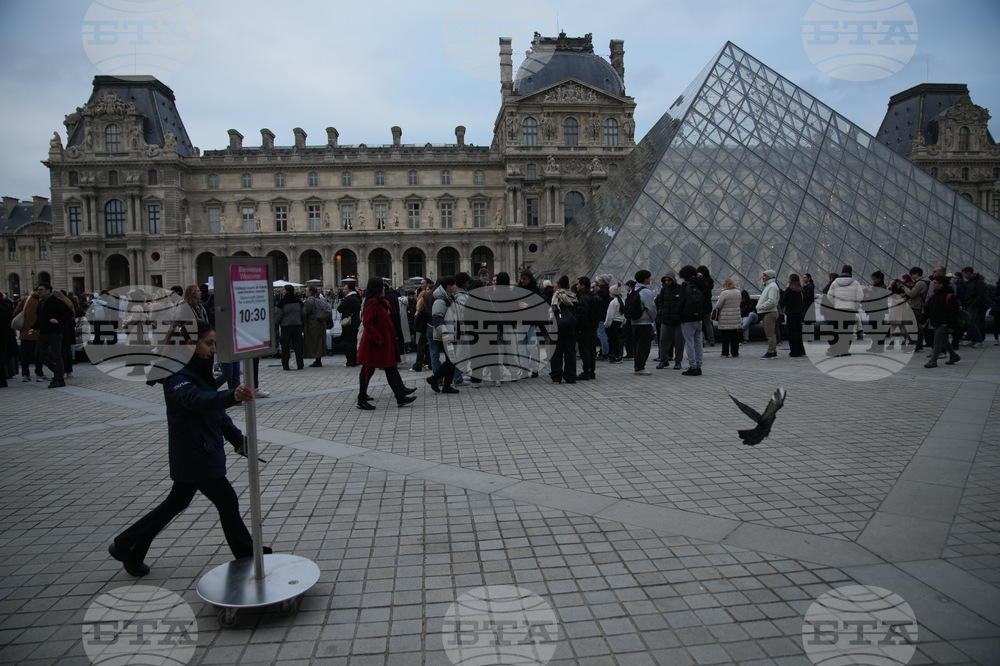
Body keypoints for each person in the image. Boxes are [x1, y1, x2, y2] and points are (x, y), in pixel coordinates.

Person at [109, 321, 269, 577]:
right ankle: (248, 554)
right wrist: (232, 396)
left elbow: (215, 412)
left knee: (176, 502)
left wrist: (237, 439)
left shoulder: (197, 368)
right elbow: (196, 400)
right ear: (188, 344)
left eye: (214, 343)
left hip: (200, 449)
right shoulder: (176, 374)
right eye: (208, 343)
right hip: (194, 452)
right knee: (226, 500)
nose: (213, 349)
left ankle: (128, 546)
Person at [357, 277, 417, 409]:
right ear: (377, 288)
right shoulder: (373, 302)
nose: (384, 288)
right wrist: (378, 338)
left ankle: (400, 397)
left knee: (390, 369)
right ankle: (361, 399)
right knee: (368, 370)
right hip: (374, 344)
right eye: (382, 287)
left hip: (382, 344)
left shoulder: (379, 302)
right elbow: (367, 322)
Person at [28, 283, 73, 388]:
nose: (39, 291)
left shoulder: (56, 302)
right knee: (38, 354)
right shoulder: (41, 303)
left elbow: (69, 313)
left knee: (56, 355)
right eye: (38, 290)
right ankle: (57, 372)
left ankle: (60, 379)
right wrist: (33, 327)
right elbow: (40, 318)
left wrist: (58, 320)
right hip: (43, 333)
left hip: (55, 332)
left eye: (41, 290)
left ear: (48, 290)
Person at [426, 276, 461, 395]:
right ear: (449, 287)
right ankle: (436, 380)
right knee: (451, 360)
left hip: (451, 334)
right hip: (447, 335)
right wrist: (445, 333)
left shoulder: (450, 299)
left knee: (451, 360)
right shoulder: (440, 301)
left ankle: (444, 383)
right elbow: (437, 320)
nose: (456, 287)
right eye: (454, 285)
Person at [924, 276, 961, 368]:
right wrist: (923, 320)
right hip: (935, 322)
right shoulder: (934, 295)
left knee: (937, 341)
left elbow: (953, 313)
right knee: (943, 340)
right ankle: (954, 356)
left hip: (943, 323)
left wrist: (952, 326)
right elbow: (928, 309)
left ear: (942, 285)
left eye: (936, 283)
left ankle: (933, 361)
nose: (934, 284)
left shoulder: (949, 297)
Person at [678, 265, 707, 376]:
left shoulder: (685, 285)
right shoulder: (700, 284)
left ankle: (692, 366)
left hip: (687, 317)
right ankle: (699, 366)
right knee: (698, 342)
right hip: (699, 317)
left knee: (689, 342)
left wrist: (680, 315)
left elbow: (681, 302)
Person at [11, 291, 46, 382]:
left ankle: (25, 375)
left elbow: (16, 312)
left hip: (25, 332)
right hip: (37, 331)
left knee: (25, 355)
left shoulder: (26, 300)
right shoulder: (42, 301)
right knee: (38, 354)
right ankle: (39, 374)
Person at [549, 275, 578, 384]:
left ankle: (556, 376)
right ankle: (570, 376)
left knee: (557, 352)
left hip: (558, 326)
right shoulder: (573, 295)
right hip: (570, 326)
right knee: (570, 352)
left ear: (559, 285)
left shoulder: (557, 295)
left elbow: (552, 310)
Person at [630, 270, 656, 375]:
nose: (650, 279)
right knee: (643, 346)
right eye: (649, 278)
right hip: (644, 322)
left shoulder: (632, 290)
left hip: (633, 322)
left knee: (637, 345)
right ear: (645, 279)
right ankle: (640, 367)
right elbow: (651, 308)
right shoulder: (646, 292)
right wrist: (652, 319)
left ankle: (637, 366)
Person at [574, 276, 601, 380]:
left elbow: (581, 315)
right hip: (593, 327)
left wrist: (578, 328)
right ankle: (591, 371)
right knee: (591, 349)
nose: (576, 286)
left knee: (584, 350)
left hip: (585, 328)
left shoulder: (583, 298)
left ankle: (586, 372)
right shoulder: (594, 296)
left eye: (578, 284)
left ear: (582, 285)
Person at [655, 273, 683, 369]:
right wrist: (660, 312)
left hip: (677, 321)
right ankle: (663, 360)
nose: (667, 282)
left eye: (669, 280)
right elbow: (660, 302)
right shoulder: (663, 290)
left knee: (678, 343)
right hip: (665, 320)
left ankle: (678, 361)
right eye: (666, 280)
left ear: (673, 280)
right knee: (663, 341)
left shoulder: (680, 289)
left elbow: (683, 303)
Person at [274, 285, 305, 371]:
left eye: (284, 290)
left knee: (285, 346)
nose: (282, 291)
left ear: (287, 291)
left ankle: (286, 364)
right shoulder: (298, 301)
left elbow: (278, 315)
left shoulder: (282, 302)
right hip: (297, 325)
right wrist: (300, 321)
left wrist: (277, 323)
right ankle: (299, 364)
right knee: (298, 345)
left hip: (286, 326)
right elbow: (303, 313)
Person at [900, 267, 930, 352]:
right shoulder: (925, 281)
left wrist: (904, 288)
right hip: (918, 306)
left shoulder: (920, 283)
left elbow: (912, 294)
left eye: (912, 274)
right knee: (917, 326)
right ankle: (917, 344)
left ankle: (914, 344)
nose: (911, 276)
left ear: (916, 274)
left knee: (914, 327)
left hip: (916, 306)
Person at [961, 266, 989, 348]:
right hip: (970, 304)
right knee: (970, 323)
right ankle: (973, 340)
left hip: (973, 305)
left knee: (972, 322)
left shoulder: (978, 282)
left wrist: (973, 303)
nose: (964, 276)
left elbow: (981, 294)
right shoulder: (971, 281)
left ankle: (978, 340)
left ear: (969, 273)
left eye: (964, 274)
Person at [715, 278, 742, 358]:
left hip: (726, 317)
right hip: (736, 316)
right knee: (735, 336)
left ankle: (725, 352)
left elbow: (718, 305)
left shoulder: (724, 293)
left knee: (725, 336)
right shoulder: (738, 292)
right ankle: (735, 352)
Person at [757, 270, 780, 359]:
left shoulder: (772, 287)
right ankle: (772, 351)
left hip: (769, 312)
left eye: (765, 276)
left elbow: (772, 301)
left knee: (770, 334)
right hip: (768, 312)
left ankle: (771, 351)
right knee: (770, 333)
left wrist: (761, 307)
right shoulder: (770, 286)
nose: (763, 277)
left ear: (770, 276)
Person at [782, 274, 806, 357]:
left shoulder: (789, 290)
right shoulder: (800, 290)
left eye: (788, 278)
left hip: (791, 313)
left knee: (792, 333)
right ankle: (800, 350)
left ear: (791, 280)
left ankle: (794, 351)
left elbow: (783, 300)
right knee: (798, 332)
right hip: (799, 313)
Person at [338, 282, 362, 367]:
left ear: (350, 290)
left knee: (348, 342)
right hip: (356, 321)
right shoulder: (357, 298)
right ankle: (356, 360)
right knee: (354, 341)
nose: (344, 291)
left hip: (348, 322)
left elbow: (339, 309)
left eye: (345, 289)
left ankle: (350, 361)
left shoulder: (348, 299)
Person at [303, 286, 327, 367]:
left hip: (313, 324)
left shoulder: (310, 300)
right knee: (319, 342)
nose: (305, 292)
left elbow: (305, 311)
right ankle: (318, 359)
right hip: (320, 323)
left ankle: (317, 360)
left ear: (310, 292)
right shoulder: (320, 299)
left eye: (306, 290)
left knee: (315, 342)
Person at [604, 284, 625, 364]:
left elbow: (610, 315)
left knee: (613, 340)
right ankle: (619, 355)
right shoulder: (621, 301)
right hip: (620, 322)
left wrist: (606, 324)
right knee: (618, 340)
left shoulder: (613, 302)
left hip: (613, 323)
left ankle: (615, 356)